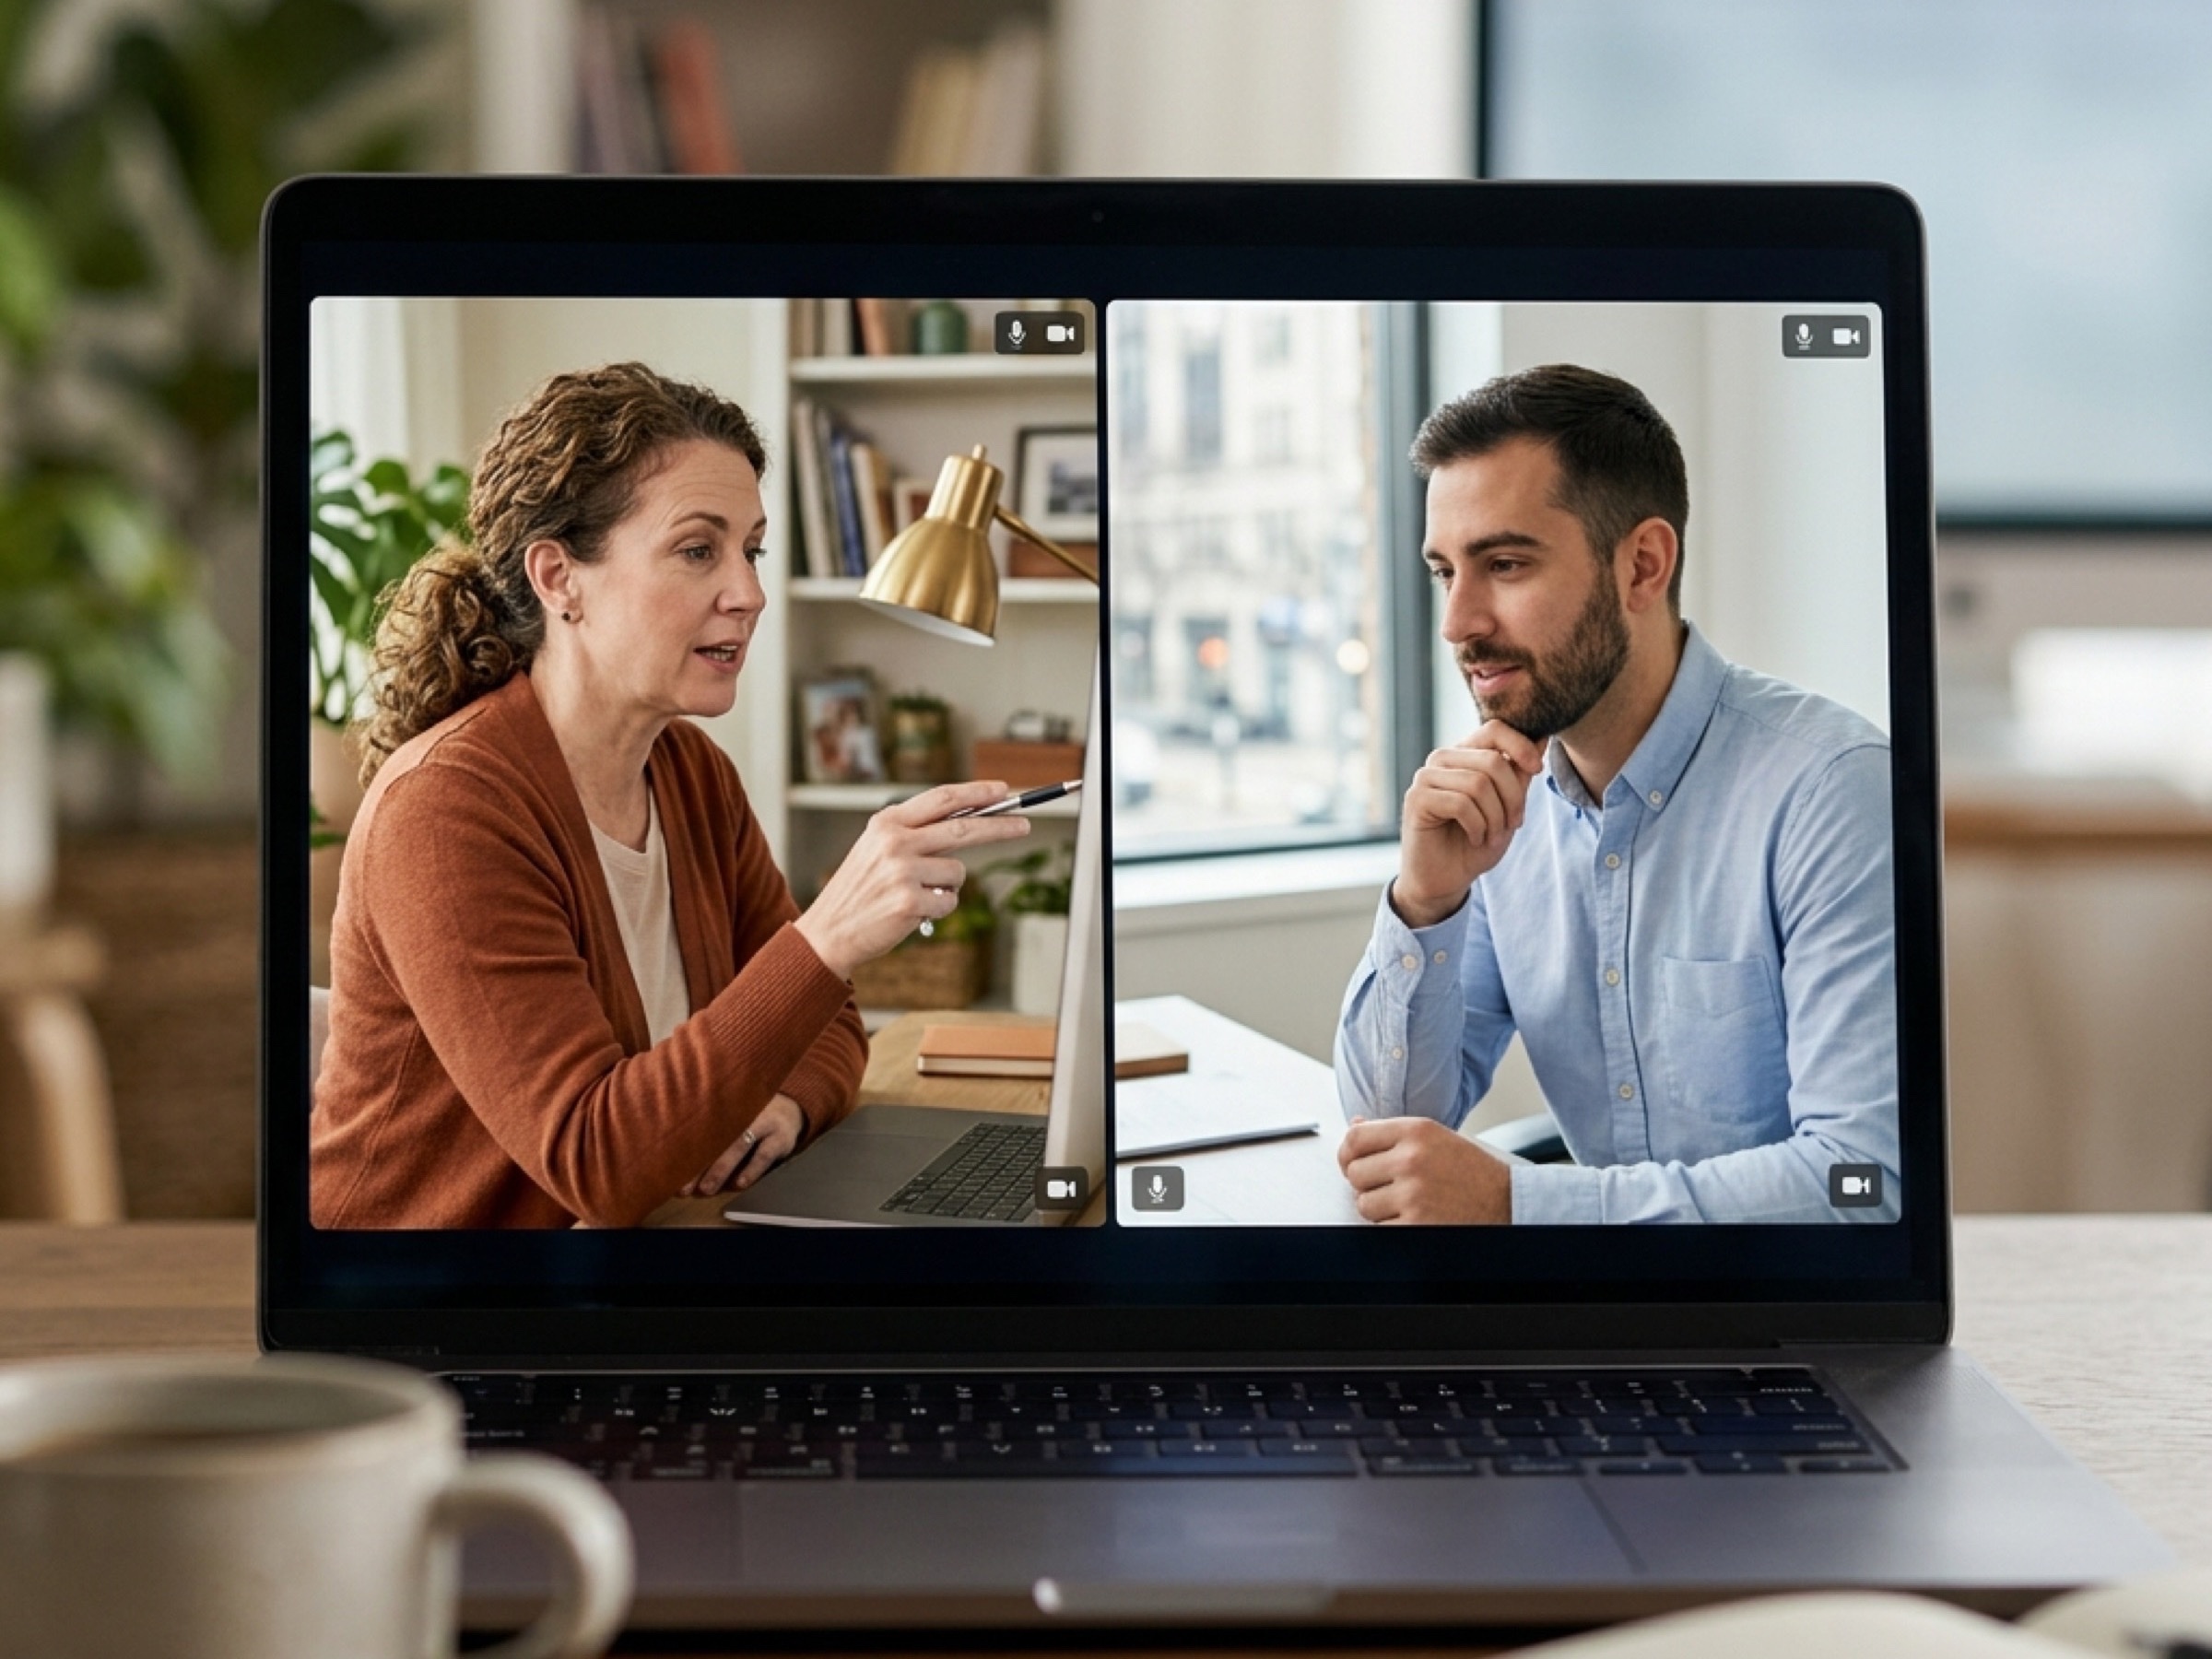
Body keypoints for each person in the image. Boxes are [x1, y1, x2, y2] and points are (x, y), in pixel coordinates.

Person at [312, 363, 1029, 1228]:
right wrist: (829, 932)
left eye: (751, 550)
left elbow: (828, 1025)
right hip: (431, 1317)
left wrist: (779, 1106)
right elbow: (597, 1160)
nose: (750, 593)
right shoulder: (446, 812)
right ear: (558, 577)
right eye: (699, 550)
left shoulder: (689, 773)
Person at [1334, 363, 1899, 1226]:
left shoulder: (1831, 789)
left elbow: (1861, 1185)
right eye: (1446, 572)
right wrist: (1426, 901)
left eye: (1506, 563)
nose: (1459, 623)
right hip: (1591, 1319)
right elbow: (1385, 1127)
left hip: (1783, 1324)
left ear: (1642, 565)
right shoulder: (1494, 807)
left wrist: (1519, 1204)